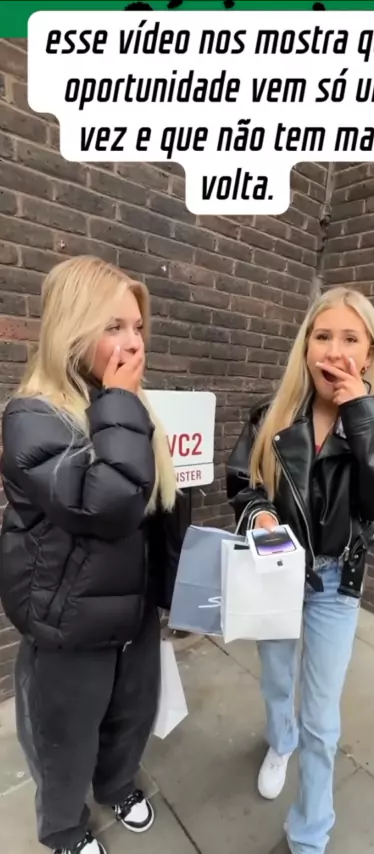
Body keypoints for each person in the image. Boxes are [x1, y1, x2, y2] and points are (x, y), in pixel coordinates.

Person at [0, 256, 186, 854]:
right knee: (64, 738)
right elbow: (105, 505)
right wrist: (122, 402)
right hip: (70, 620)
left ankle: (118, 785)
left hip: (133, 613)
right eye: (113, 326)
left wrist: (173, 590)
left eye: (137, 327)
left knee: (131, 715)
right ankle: (63, 828)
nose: (133, 342)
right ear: (72, 329)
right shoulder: (33, 417)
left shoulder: (126, 406)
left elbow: (155, 509)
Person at [226, 286, 374, 854]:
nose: (334, 351)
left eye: (350, 338)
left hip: (338, 581)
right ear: (305, 345)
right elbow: (243, 481)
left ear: (370, 351)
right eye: (322, 336)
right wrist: (260, 514)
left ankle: (310, 833)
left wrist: (360, 418)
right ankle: (279, 741)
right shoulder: (273, 415)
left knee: (323, 718)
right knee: (276, 679)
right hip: (276, 573)